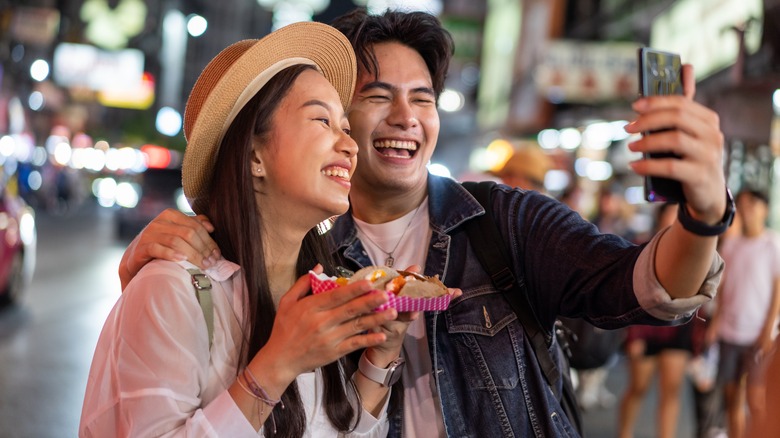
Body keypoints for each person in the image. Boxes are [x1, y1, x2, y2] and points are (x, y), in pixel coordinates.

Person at [118, 8, 730, 437]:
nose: (406, 117)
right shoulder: (299, 263)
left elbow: (643, 286)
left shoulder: (502, 222)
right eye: (377, 97)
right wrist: (161, 261)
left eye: (424, 99)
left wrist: (703, 216)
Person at [80, 22, 409, 437]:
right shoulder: (172, 290)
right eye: (322, 120)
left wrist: (382, 356)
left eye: (345, 126)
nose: (350, 144)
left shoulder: (323, 289)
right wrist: (278, 363)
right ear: (254, 155)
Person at [707, 189, 780, 438]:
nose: (747, 210)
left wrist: (768, 330)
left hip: (757, 334)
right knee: (731, 396)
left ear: (765, 210)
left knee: (757, 397)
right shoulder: (731, 245)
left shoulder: (773, 244)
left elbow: (777, 293)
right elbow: (724, 290)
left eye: (753, 205)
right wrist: (715, 324)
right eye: (744, 205)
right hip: (730, 331)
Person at [618, 202, 695, 438]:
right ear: (660, 219)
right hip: (647, 329)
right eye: (671, 217)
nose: (675, 224)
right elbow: (630, 296)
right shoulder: (644, 249)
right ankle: (625, 434)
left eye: (679, 219)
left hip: (678, 330)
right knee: (638, 388)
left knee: (671, 391)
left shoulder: (692, 254)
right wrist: (633, 336)